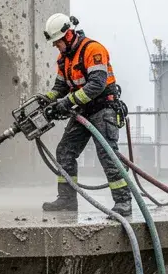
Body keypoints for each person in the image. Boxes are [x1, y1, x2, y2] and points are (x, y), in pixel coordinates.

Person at [37, 13, 131, 216]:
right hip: (82, 111)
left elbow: (97, 84)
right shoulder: (64, 59)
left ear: (68, 35)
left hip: (103, 109)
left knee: (107, 154)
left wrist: (67, 102)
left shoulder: (93, 50)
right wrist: (48, 99)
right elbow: (60, 87)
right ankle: (67, 199)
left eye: (57, 42)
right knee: (64, 151)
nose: (55, 46)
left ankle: (124, 202)